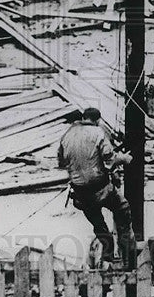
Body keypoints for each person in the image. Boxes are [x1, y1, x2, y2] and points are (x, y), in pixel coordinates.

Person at [58, 107, 136, 267]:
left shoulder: (67, 135)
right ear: (97, 120)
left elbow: (61, 162)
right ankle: (127, 253)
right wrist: (125, 158)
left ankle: (108, 254)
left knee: (98, 223)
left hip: (80, 194)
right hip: (101, 190)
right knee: (122, 209)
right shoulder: (98, 133)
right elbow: (109, 159)